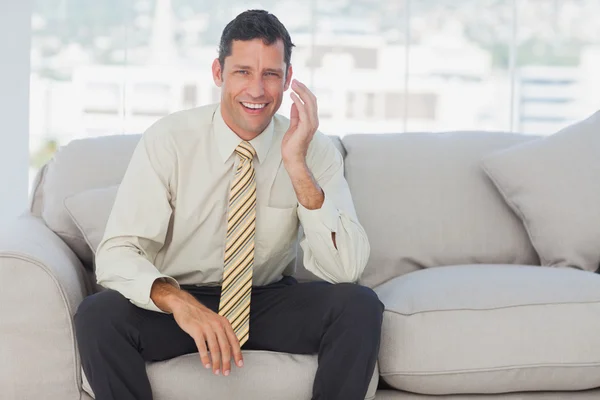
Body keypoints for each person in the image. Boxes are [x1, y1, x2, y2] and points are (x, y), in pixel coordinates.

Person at [74, 9, 384, 400]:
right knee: (98, 316)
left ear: (287, 79)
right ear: (218, 72)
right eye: (242, 72)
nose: (257, 90)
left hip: (264, 299)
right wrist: (181, 304)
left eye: (270, 74)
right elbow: (118, 253)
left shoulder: (311, 149)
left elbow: (346, 270)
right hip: (182, 302)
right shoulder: (169, 140)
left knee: (359, 306)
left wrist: (296, 166)